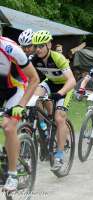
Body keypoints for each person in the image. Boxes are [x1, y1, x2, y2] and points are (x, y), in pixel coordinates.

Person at [30, 30, 76, 171]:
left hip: (65, 86)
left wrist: (60, 93)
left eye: (41, 46)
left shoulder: (58, 58)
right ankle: (43, 126)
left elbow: (72, 80)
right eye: (35, 46)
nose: (38, 49)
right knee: (33, 98)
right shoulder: (34, 59)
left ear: (49, 45)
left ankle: (59, 156)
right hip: (50, 82)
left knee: (59, 118)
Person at [0, 36, 39, 191]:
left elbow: (34, 79)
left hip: (16, 89)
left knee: (9, 127)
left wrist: (22, 105)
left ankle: (13, 174)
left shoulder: (10, 48)